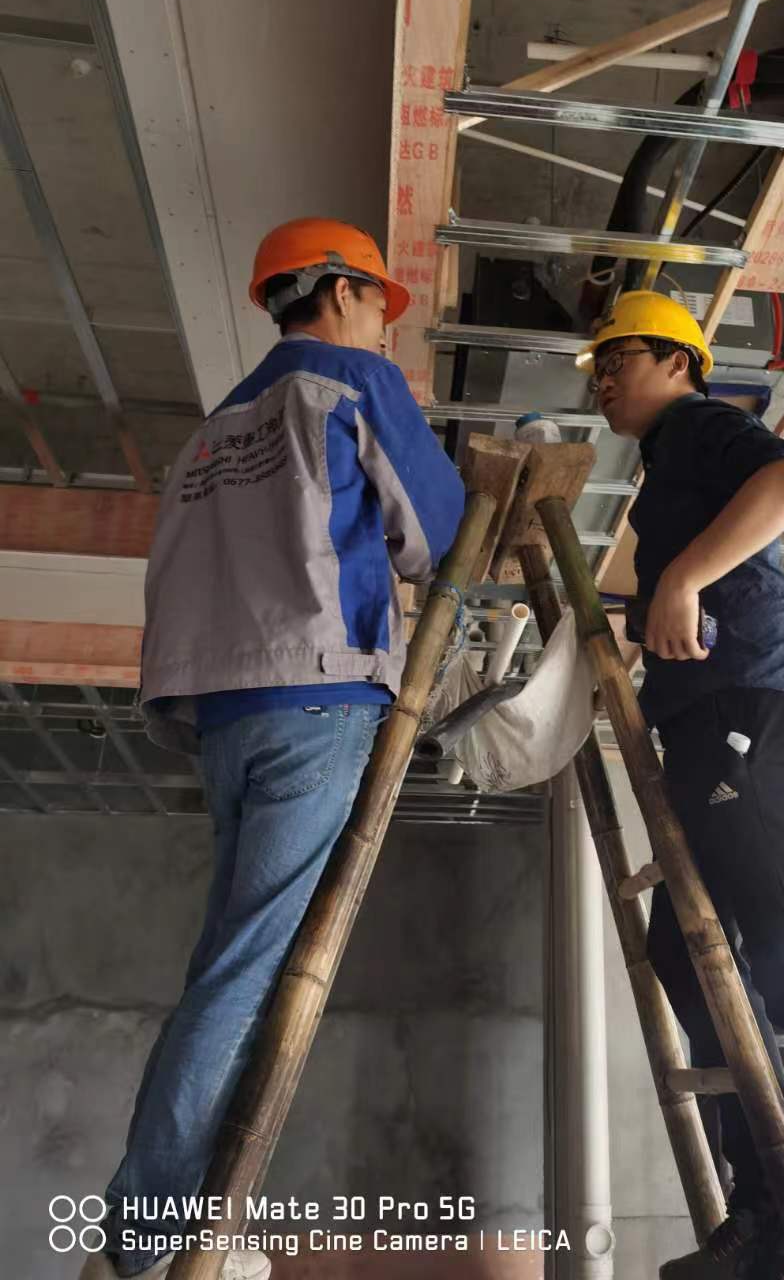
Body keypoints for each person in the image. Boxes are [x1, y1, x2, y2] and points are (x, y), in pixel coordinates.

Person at [82, 219, 465, 1280]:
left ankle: (167, 1224)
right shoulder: (350, 382)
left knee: (230, 968)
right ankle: (148, 1239)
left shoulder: (214, 430)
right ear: (339, 292)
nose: (386, 325)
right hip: (316, 700)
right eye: (380, 302)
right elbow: (437, 534)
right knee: (245, 977)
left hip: (225, 714)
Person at [576, 291, 784, 1280]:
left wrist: (680, 581)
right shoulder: (667, 466)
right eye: (596, 368)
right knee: (682, 952)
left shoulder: (704, 425)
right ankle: (764, 1199)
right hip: (709, 730)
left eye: (617, 358)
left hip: (753, 715)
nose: (602, 381)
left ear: (677, 360)